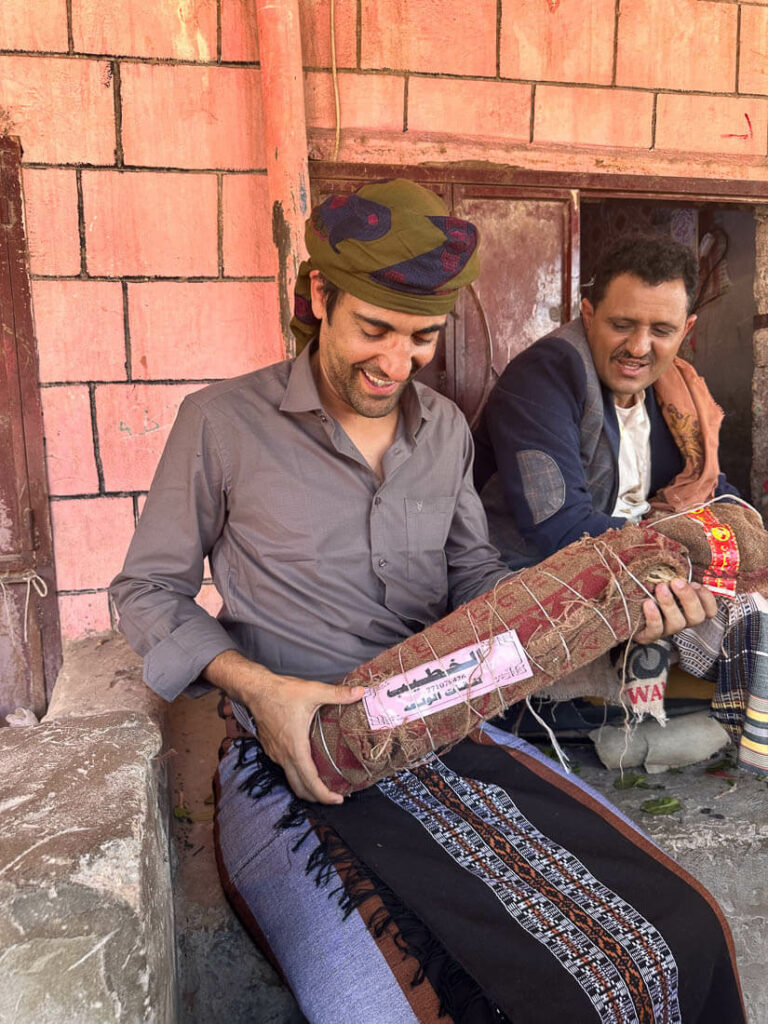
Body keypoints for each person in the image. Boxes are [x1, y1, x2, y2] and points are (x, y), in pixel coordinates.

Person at [110, 186, 744, 1023]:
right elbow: (145, 591)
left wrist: (602, 624)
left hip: (448, 722)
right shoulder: (222, 423)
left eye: (421, 338)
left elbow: (476, 581)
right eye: (374, 329)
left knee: (684, 930)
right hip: (298, 750)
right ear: (317, 299)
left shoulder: (443, 427)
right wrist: (259, 690)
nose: (396, 363)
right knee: (385, 1004)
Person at [474, 234, 739, 571]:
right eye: (621, 325)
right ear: (588, 314)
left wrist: (745, 527)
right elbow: (560, 525)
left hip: (645, 562)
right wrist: (691, 546)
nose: (639, 348)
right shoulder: (545, 375)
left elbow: (708, 483)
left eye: (661, 330)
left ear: (685, 330)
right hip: (539, 574)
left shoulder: (672, 389)